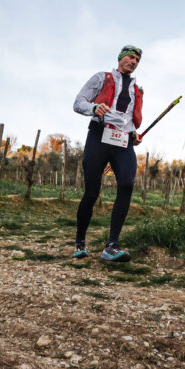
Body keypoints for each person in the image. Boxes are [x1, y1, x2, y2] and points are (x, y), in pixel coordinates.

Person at [71, 45, 144, 262]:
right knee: (92, 192)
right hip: (99, 135)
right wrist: (94, 108)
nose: (134, 62)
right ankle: (80, 242)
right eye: (131, 57)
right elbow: (78, 103)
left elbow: (130, 119)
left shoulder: (137, 89)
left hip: (123, 140)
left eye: (137, 60)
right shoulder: (101, 77)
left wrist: (134, 135)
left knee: (127, 184)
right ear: (121, 58)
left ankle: (111, 245)